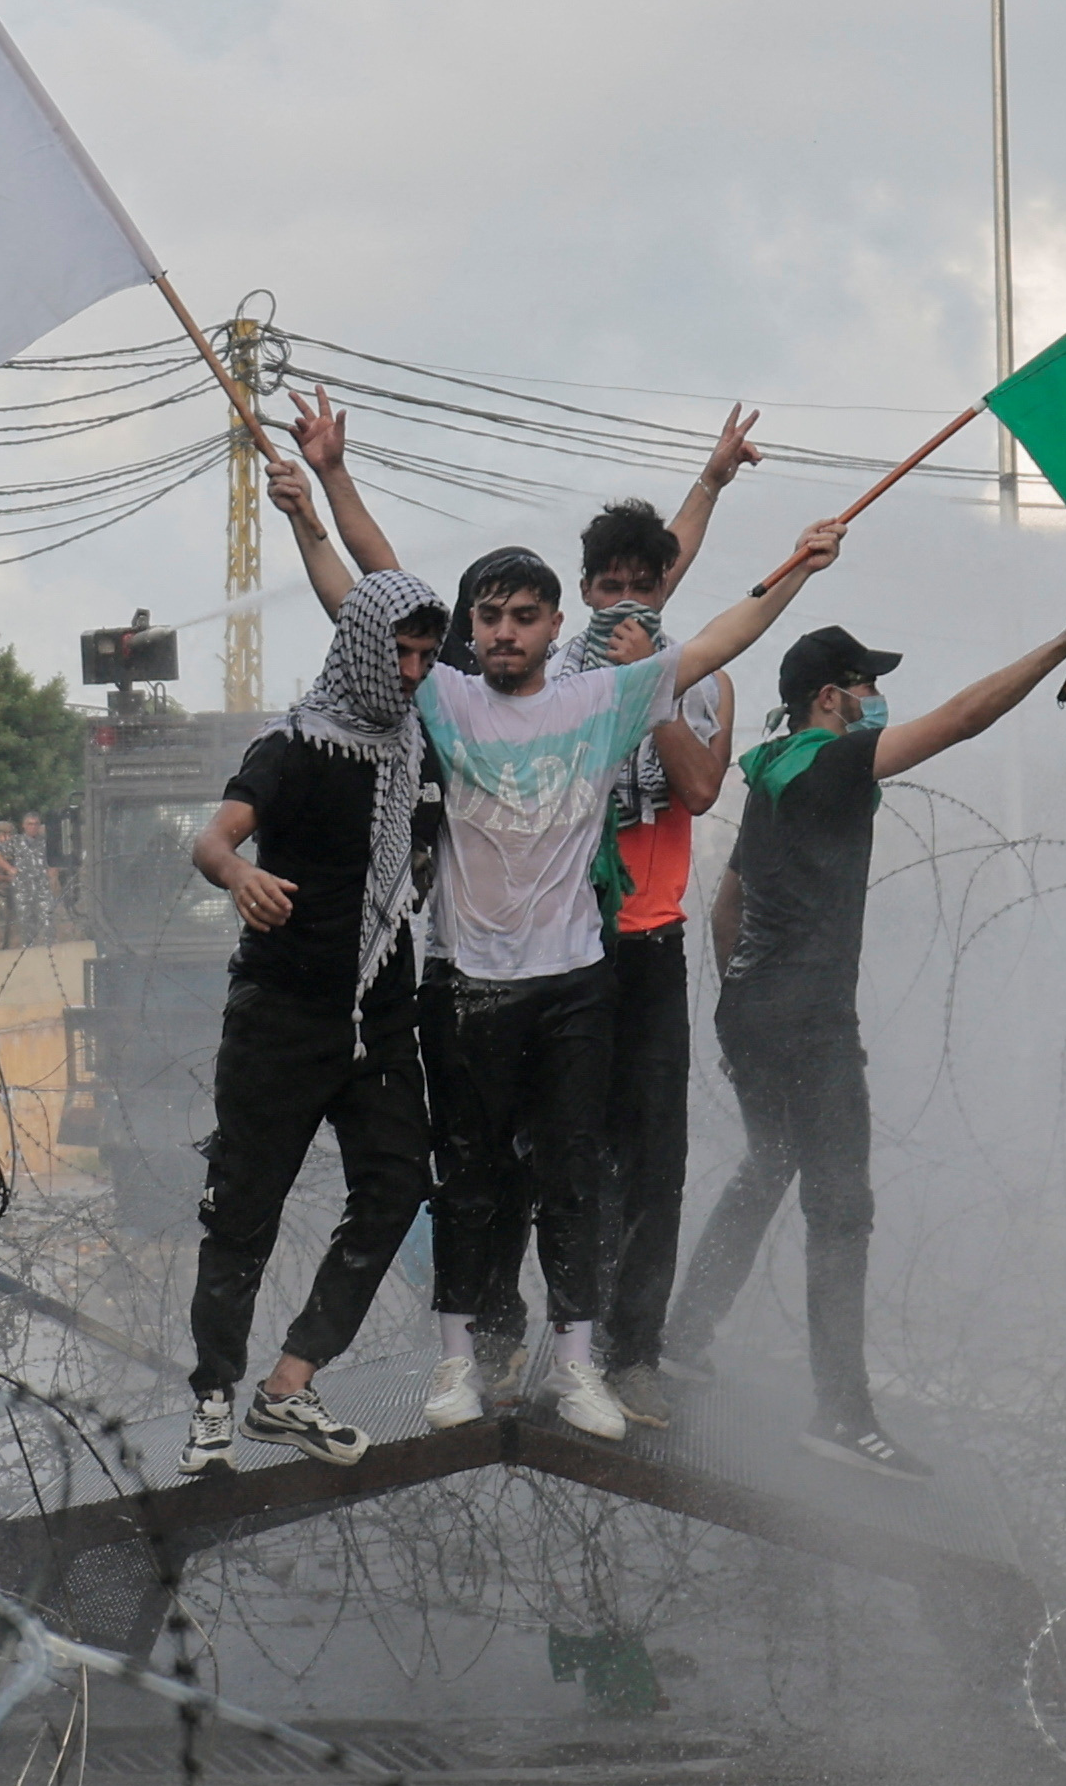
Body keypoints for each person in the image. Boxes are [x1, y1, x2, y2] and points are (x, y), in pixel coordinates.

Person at [283, 412, 838, 1443]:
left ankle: (612, 1357)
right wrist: (321, 489)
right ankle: (480, 1343)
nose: (504, 628)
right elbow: (370, 588)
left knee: (611, 1166)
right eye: (489, 614)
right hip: (481, 972)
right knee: (486, 1163)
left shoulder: (624, 689)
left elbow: (713, 649)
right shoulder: (468, 686)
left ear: (554, 621)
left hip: (610, 953)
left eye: (518, 615)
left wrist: (790, 561)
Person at [663, 599, 1066, 1477]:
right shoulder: (830, 762)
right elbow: (963, 719)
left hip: (754, 1009)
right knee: (842, 1212)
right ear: (830, 696)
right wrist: (1059, 640)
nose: (877, 698)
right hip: (811, 1023)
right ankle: (840, 1413)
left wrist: (739, 1005)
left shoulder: (771, 769)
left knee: (768, 1162)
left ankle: (683, 1332)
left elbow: (728, 905)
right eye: (867, 683)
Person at [171, 426, 447, 1475]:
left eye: (428, 654)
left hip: (377, 1012)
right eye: (403, 652)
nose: (415, 668)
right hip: (283, 1012)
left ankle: (290, 1382)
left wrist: (322, 493)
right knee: (244, 1205)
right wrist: (237, 876)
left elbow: (373, 583)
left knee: (395, 1181)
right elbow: (215, 834)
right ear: (364, 649)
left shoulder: (425, 742)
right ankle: (211, 1396)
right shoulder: (296, 745)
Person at [575, 420, 763, 1424]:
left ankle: (632, 1347)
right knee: (563, 1151)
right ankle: (568, 1340)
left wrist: (651, 691)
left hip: (645, 944)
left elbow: (692, 790)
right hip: (556, 948)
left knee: (650, 1156)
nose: (621, 602)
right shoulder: (548, 676)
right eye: (604, 585)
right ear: (584, 592)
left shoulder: (697, 680)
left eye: (639, 585)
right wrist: (708, 478)